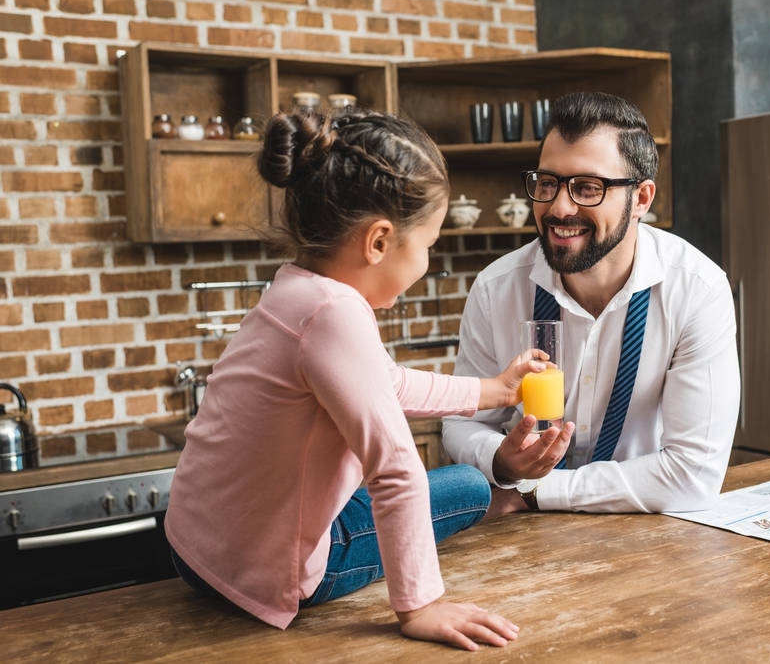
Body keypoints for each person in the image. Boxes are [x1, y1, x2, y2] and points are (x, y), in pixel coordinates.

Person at [165, 108, 541, 651]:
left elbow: (385, 382)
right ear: (379, 241)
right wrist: (420, 607)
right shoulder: (335, 315)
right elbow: (394, 470)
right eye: (429, 246)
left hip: (195, 549)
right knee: (470, 485)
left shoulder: (296, 289)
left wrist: (494, 391)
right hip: (262, 575)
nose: (428, 265)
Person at [443, 91, 740, 516]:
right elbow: (463, 422)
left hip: (647, 536)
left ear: (641, 199)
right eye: (548, 183)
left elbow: (692, 475)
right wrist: (501, 461)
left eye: (587, 187)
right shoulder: (496, 289)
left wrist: (535, 492)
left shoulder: (697, 290)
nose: (559, 207)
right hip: (517, 540)